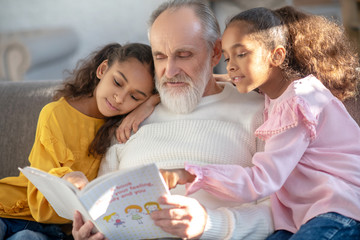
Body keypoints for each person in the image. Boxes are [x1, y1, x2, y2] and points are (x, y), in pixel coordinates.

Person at [71, 1, 275, 240]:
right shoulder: (131, 113)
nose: (169, 71)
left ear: (216, 52)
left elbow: (279, 211)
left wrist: (209, 223)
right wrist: (89, 230)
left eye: (184, 55)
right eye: (160, 56)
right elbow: (99, 203)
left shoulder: (259, 113)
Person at [162, 6, 360, 240]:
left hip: (339, 211)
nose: (231, 66)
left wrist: (194, 174)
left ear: (277, 56)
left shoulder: (297, 102)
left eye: (241, 53)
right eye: (227, 58)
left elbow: (262, 180)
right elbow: (228, 77)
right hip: (303, 218)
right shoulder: (278, 93)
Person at [0, 42, 157, 240]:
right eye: (117, 82)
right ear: (102, 70)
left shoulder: (121, 131)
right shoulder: (55, 114)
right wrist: (68, 179)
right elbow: (40, 204)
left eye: (134, 97)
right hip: (8, 210)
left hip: (59, 231)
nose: (119, 98)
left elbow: (199, 83)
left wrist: (150, 103)